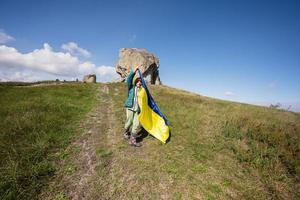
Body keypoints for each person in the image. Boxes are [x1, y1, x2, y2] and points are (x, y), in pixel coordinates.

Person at [123, 66, 143, 147]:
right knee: (129, 121)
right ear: (135, 82)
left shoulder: (142, 91)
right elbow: (129, 80)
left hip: (137, 110)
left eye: (140, 82)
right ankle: (125, 132)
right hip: (130, 107)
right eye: (138, 81)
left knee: (136, 124)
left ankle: (132, 141)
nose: (139, 83)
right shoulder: (131, 88)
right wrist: (133, 72)